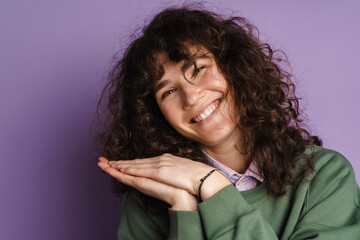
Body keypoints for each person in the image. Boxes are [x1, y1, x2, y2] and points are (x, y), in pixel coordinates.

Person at [97, 6, 360, 240]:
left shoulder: (326, 175)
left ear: (235, 68)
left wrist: (212, 186)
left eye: (197, 69)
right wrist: (183, 208)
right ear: (155, 115)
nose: (191, 97)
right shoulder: (150, 196)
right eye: (167, 92)